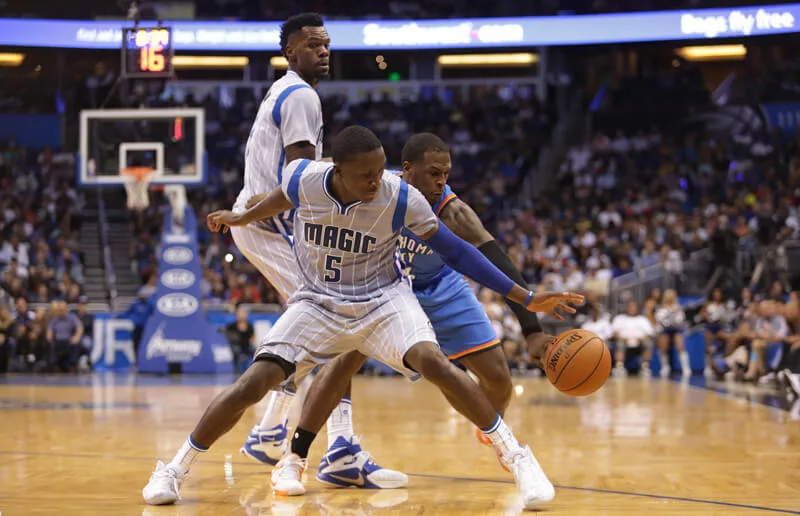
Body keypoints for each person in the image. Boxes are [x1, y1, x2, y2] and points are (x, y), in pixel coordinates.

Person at [142, 126, 583, 508]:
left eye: (380, 171)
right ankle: (175, 469)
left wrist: (525, 296)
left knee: (434, 362)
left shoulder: (402, 198)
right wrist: (242, 216)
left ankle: (517, 456)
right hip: (318, 300)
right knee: (253, 382)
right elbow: (278, 199)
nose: (377, 182)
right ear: (337, 170)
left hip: (383, 299)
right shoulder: (304, 178)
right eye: (366, 175)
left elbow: (460, 252)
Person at [250, 133, 557, 488]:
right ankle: (299, 452)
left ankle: (491, 429)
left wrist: (531, 328)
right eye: (433, 173)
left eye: (446, 174)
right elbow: (305, 188)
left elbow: (493, 258)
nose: (441, 182)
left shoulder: (451, 210)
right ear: (408, 170)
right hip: (387, 288)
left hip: (441, 287)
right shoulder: (377, 190)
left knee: (499, 378)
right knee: (344, 360)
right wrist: (248, 212)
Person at [221, 12, 402, 485]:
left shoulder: (288, 91)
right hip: (271, 221)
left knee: (331, 328)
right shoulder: (300, 94)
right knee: (340, 321)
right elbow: (300, 178)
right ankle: (335, 447)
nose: (323, 51)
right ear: (290, 52)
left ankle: (273, 428)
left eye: (326, 44)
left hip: (266, 220)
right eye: (312, 44)